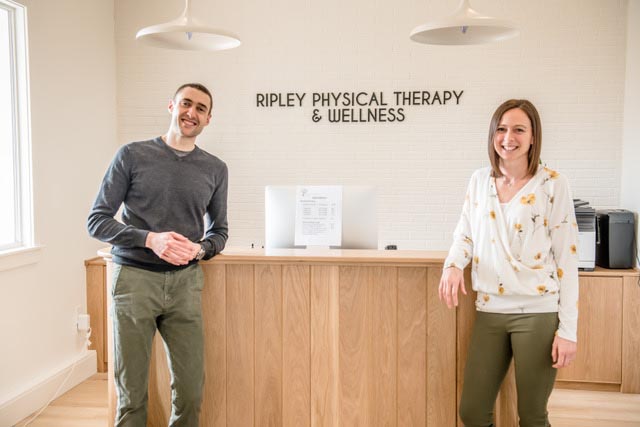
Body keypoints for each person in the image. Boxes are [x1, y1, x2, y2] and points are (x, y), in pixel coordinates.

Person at [87, 83, 228, 427]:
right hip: (134, 280)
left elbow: (219, 231)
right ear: (171, 106)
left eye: (200, 109)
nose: (191, 113)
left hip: (185, 284)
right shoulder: (132, 155)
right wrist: (150, 239)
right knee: (131, 395)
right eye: (186, 104)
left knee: (191, 392)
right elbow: (97, 221)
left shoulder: (215, 168)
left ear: (209, 119)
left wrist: (202, 248)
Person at [439, 99, 578, 427]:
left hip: (538, 312)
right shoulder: (479, 181)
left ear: (533, 137)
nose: (508, 137)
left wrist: (568, 330)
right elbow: (465, 234)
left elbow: (567, 261)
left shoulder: (553, 184)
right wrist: (453, 264)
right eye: (501, 129)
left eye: (518, 129)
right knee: (472, 411)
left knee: (532, 416)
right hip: (490, 311)